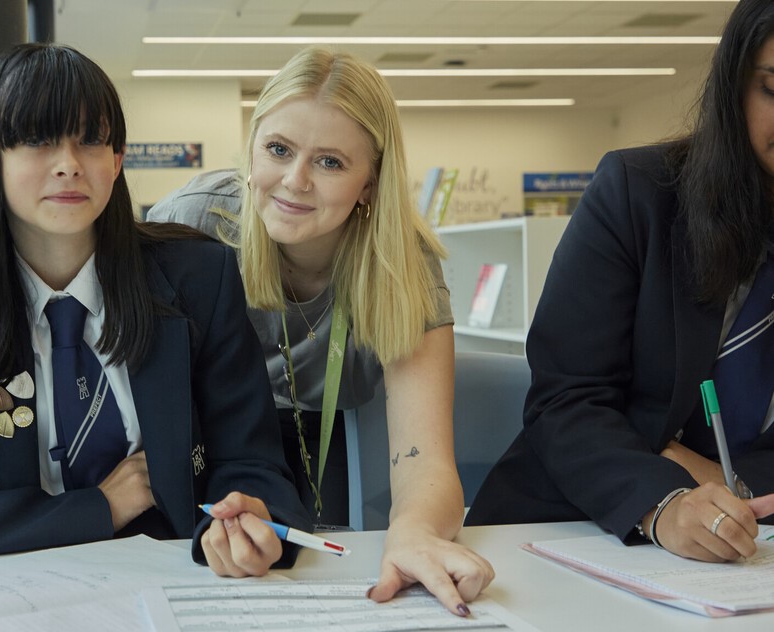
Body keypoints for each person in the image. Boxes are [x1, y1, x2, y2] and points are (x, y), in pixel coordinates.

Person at [0, 42, 310, 579]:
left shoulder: (198, 280)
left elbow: (252, 461)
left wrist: (246, 519)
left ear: (116, 160)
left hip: (180, 580)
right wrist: (98, 509)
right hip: (26, 589)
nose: (69, 165)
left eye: (90, 140)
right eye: (38, 140)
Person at [147, 47, 493, 614]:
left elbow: (425, 459)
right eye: (278, 149)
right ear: (252, 147)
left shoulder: (401, 263)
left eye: (330, 162)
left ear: (369, 183)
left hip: (327, 435)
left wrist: (415, 532)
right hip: (213, 440)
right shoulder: (195, 221)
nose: (295, 181)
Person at [466, 0, 774, 563]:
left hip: (751, 544)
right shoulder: (638, 194)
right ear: (734, 88)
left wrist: (731, 484)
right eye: (773, 89)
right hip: (578, 525)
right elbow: (566, 399)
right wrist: (666, 501)